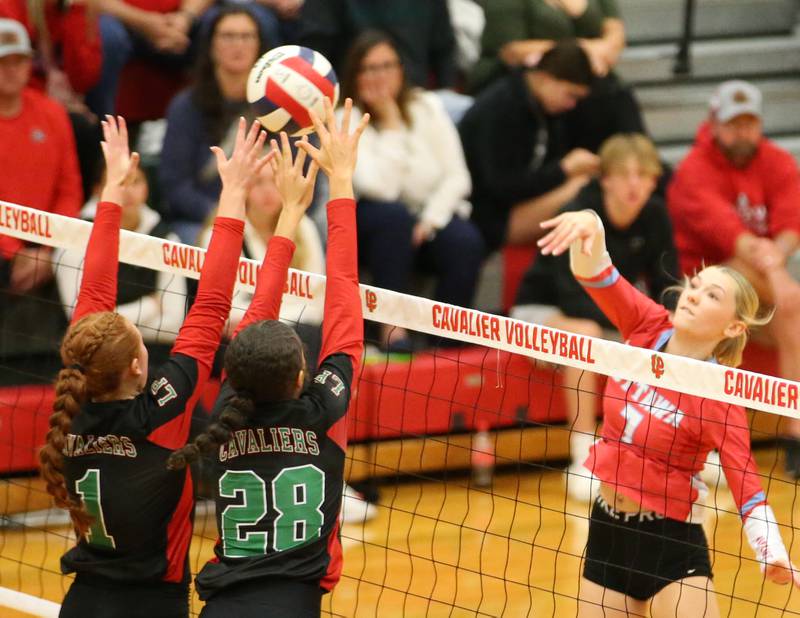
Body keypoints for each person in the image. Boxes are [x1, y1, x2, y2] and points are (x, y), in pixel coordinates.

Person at [38, 115, 271, 618]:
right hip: (152, 607)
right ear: (139, 369)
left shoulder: (72, 404)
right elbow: (210, 306)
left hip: (83, 603)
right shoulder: (161, 418)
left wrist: (113, 192)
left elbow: (96, 292)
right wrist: (234, 196)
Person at [537, 209, 800, 617]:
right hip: (607, 535)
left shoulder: (719, 395)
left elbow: (746, 482)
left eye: (712, 295)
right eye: (695, 284)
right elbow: (595, 274)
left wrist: (772, 553)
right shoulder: (646, 325)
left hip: (671, 550)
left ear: (733, 328)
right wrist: (591, 223)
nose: (693, 294)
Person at [167, 98, 367, 618]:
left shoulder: (229, 415)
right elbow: (344, 295)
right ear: (302, 375)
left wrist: (288, 218)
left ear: (232, 374)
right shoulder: (323, 416)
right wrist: (334, 186)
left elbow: (263, 311)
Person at [512, 133, 677, 500]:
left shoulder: (655, 215)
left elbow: (669, 283)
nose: (635, 184)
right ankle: (583, 453)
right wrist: (632, 329)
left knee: (673, 328)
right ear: (605, 179)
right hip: (543, 313)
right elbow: (569, 295)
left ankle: (679, 448)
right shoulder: (580, 213)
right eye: (625, 174)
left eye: (644, 174)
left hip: (607, 317)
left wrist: (669, 324)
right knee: (584, 336)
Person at [667, 80, 800, 478]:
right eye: (733, 123)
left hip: (757, 291)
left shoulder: (776, 161)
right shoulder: (693, 170)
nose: (742, 132)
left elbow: (792, 222)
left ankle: (795, 431)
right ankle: (795, 434)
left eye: (749, 122)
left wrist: (776, 262)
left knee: (793, 316)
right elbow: (730, 236)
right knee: (740, 276)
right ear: (713, 123)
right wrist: (777, 271)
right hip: (694, 290)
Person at [341, 30, 484, 349]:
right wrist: (391, 124)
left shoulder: (426, 106)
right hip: (371, 227)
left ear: (401, 70)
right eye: (369, 68)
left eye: (388, 66)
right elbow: (381, 188)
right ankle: (393, 330)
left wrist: (430, 221)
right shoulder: (345, 118)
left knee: (465, 241)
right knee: (392, 217)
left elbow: (458, 177)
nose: (380, 77)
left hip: (425, 219)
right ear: (355, 74)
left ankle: (448, 345)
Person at [459, 40, 600, 253]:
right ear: (544, 78)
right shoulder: (501, 108)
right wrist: (563, 170)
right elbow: (501, 186)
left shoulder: (542, 108)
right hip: (485, 214)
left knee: (590, 183)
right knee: (582, 188)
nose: (572, 105)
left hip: (511, 206)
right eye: (571, 95)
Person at [0, 17, 82, 377]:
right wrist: (13, 253)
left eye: (18, 60)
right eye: (2, 62)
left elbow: (69, 188)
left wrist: (48, 250)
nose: (11, 70)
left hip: (46, 246)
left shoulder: (51, 113)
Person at [55, 164, 188, 367]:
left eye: (135, 181)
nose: (127, 191)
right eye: (119, 182)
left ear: (146, 189)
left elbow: (173, 325)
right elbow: (81, 323)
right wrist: (150, 306)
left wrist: (109, 326)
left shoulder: (167, 239)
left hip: (153, 358)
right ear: (99, 190)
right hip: (92, 357)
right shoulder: (75, 237)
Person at [469, 0, 643, 154]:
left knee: (618, 95)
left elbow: (616, 36)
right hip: (523, 76)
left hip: (587, 77)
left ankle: (641, 172)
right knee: (596, 100)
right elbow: (511, 50)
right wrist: (584, 50)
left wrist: (591, 48)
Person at [160, 5, 266, 243]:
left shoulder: (277, 106)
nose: (238, 44)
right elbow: (176, 187)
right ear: (211, 45)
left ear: (259, 44)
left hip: (268, 220)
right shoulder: (186, 107)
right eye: (228, 36)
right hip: (205, 219)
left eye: (247, 36)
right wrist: (226, 215)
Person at [86, 0, 211, 116]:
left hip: (182, 21)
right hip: (121, 20)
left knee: (220, 26)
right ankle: (102, 128)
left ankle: (219, 132)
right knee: (108, 36)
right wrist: (144, 22)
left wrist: (185, 18)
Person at [296, 0, 457, 89]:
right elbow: (315, 53)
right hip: (351, 103)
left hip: (415, 96)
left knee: (454, 107)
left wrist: (445, 90)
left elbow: (444, 48)